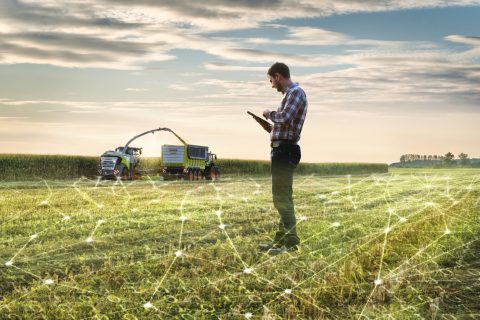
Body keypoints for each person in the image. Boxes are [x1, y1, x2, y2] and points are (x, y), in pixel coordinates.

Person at [259, 62, 308, 255]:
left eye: (272, 81)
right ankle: (280, 242)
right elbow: (285, 125)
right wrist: (271, 129)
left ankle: (291, 242)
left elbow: (285, 117)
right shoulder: (290, 95)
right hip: (282, 149)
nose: (272, 85)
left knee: (280, 198)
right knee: (283, 198)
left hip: (285, 151)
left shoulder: (296, 92)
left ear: (278, 76)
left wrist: (268, 113)